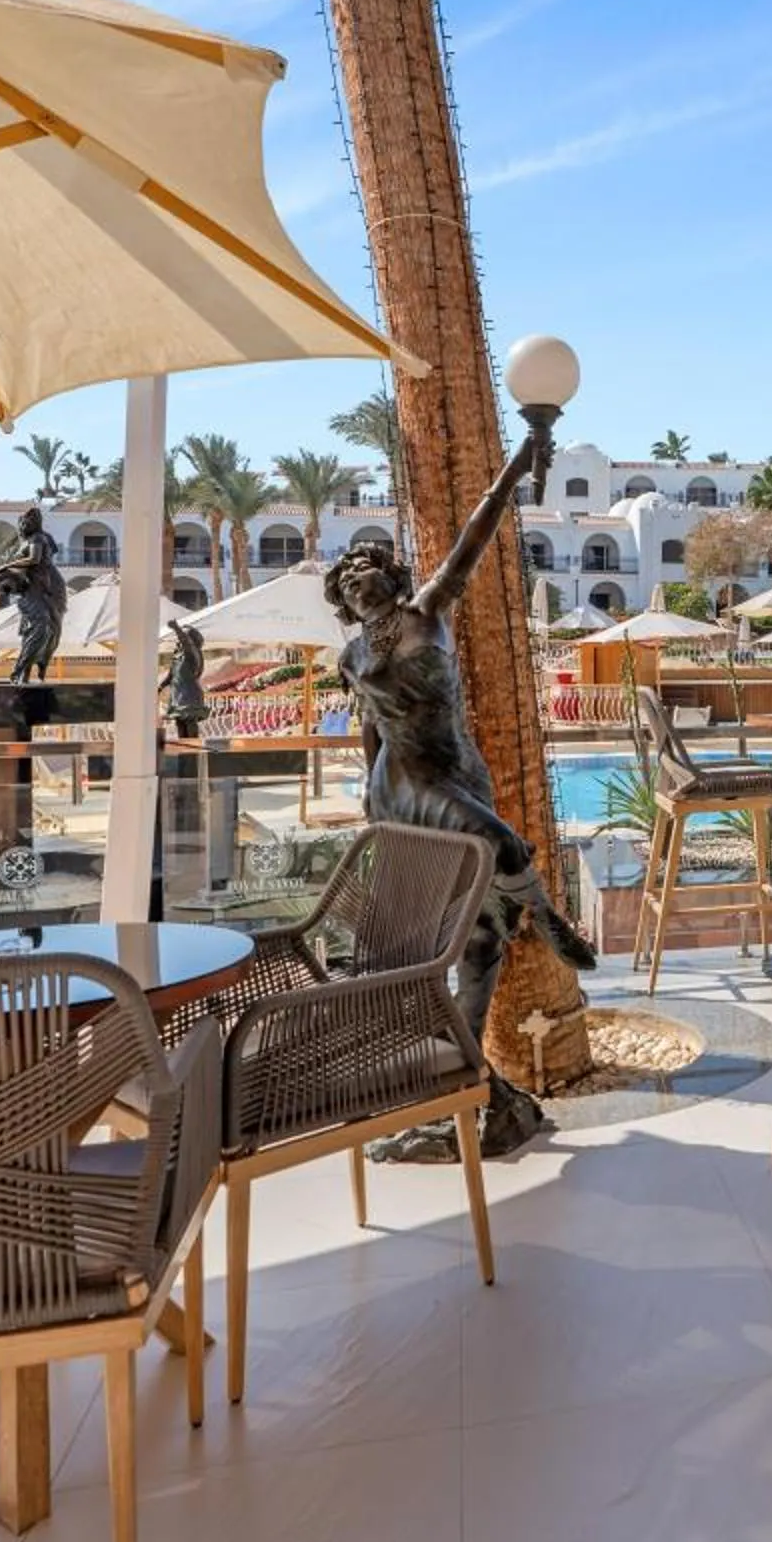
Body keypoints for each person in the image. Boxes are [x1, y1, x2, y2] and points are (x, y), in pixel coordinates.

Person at [326, 425, 598, 1156]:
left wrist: (517, 462)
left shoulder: (425, 616)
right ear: (345, 604)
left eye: (368, 573)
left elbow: (473, 541)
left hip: (455, 769)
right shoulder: (352, 654)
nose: (360, 585)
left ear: (391, 577)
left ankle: (481, 1095)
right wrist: (367, 795)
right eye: (348, 584)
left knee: (477, 944)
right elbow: (372, 730)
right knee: (502, 844)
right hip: (405, 786)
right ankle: (551, 919)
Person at [0, 507, 66, 684]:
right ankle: (22, 671)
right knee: (36, 628)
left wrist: (5, 566)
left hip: (48, 587)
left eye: (27, 523)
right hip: (32, 588)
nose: (23, 526)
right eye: (22, 523)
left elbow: (34, 559)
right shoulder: (29, 541)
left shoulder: (38, 538)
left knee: (49, 630)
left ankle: (32, 667)